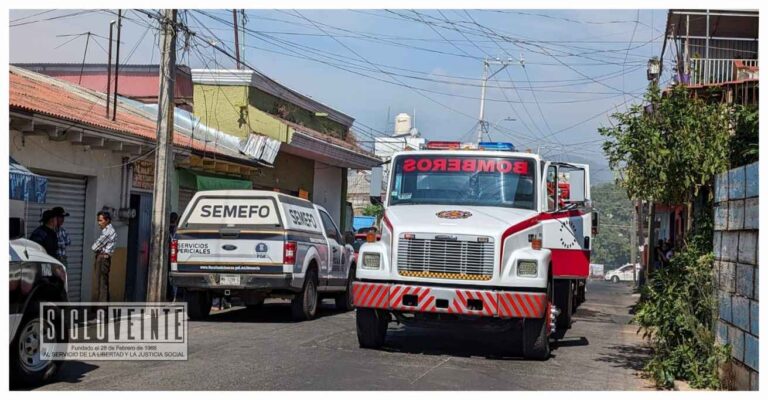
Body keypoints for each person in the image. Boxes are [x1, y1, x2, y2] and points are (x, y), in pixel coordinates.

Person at [91, 211, 116, 303]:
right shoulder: (107, 231)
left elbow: (95, 246)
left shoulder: (108, 232)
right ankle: (102, 308)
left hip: (103, 258)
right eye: (98, 220)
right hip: (103, 258)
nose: (99, 223)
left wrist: (94, 248)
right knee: (101, 283)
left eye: (101, 220)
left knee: (102, 284)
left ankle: (102, 310)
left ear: (107, 220)